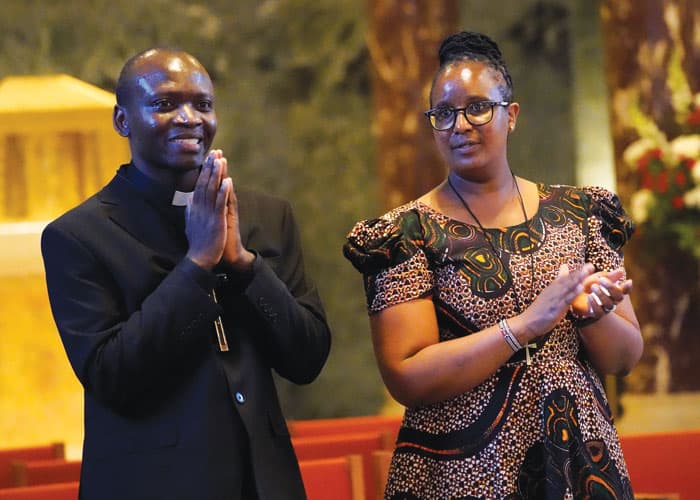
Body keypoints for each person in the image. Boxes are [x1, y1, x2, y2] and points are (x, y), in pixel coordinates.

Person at [344, 31, 642, 499]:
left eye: (478, 107)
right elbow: (406, 375)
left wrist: (590, 315)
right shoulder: (405, 233)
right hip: (462, 472)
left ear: (512, 115)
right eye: (444, 113)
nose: (460, 125)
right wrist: (522, 327)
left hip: (578, 466)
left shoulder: (583, 211)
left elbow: (625, 359)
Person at [41, 47, 331, 500]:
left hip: (266, 482)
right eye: (164, 104)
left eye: (202, 104)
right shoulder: (78, 236)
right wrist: (196, 264)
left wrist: (243, 264)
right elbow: (112, 376)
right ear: (122, 121)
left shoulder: (267, 215)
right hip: (151, 485)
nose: (189, 117)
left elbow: (307, 357)